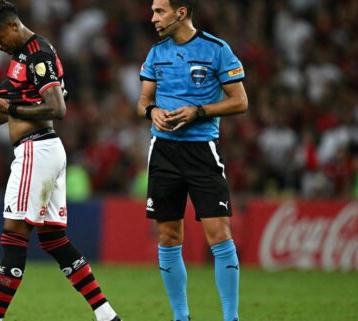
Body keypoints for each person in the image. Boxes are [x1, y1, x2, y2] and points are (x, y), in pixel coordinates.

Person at [0, 1, 121, 321]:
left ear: (13, 26)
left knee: (13, 234)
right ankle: (107, 315)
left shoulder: (38, 53)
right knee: (54, 239)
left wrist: (10, 109)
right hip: (46, 150)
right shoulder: (21, 57)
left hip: (35, 151)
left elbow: (57, 108)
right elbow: (5, 110)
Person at [137, 1, 248, 321]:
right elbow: (142, 101)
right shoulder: (156, 52)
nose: (153, 17)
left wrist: (198, 112)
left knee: (219, 233)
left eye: (160, 11)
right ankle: (181, 317)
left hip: (202, 151)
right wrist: (151, 112)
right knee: (169, 236)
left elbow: (239, 102)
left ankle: (230, 317)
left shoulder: (217, 49)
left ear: (181, 12)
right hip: (164, 152)